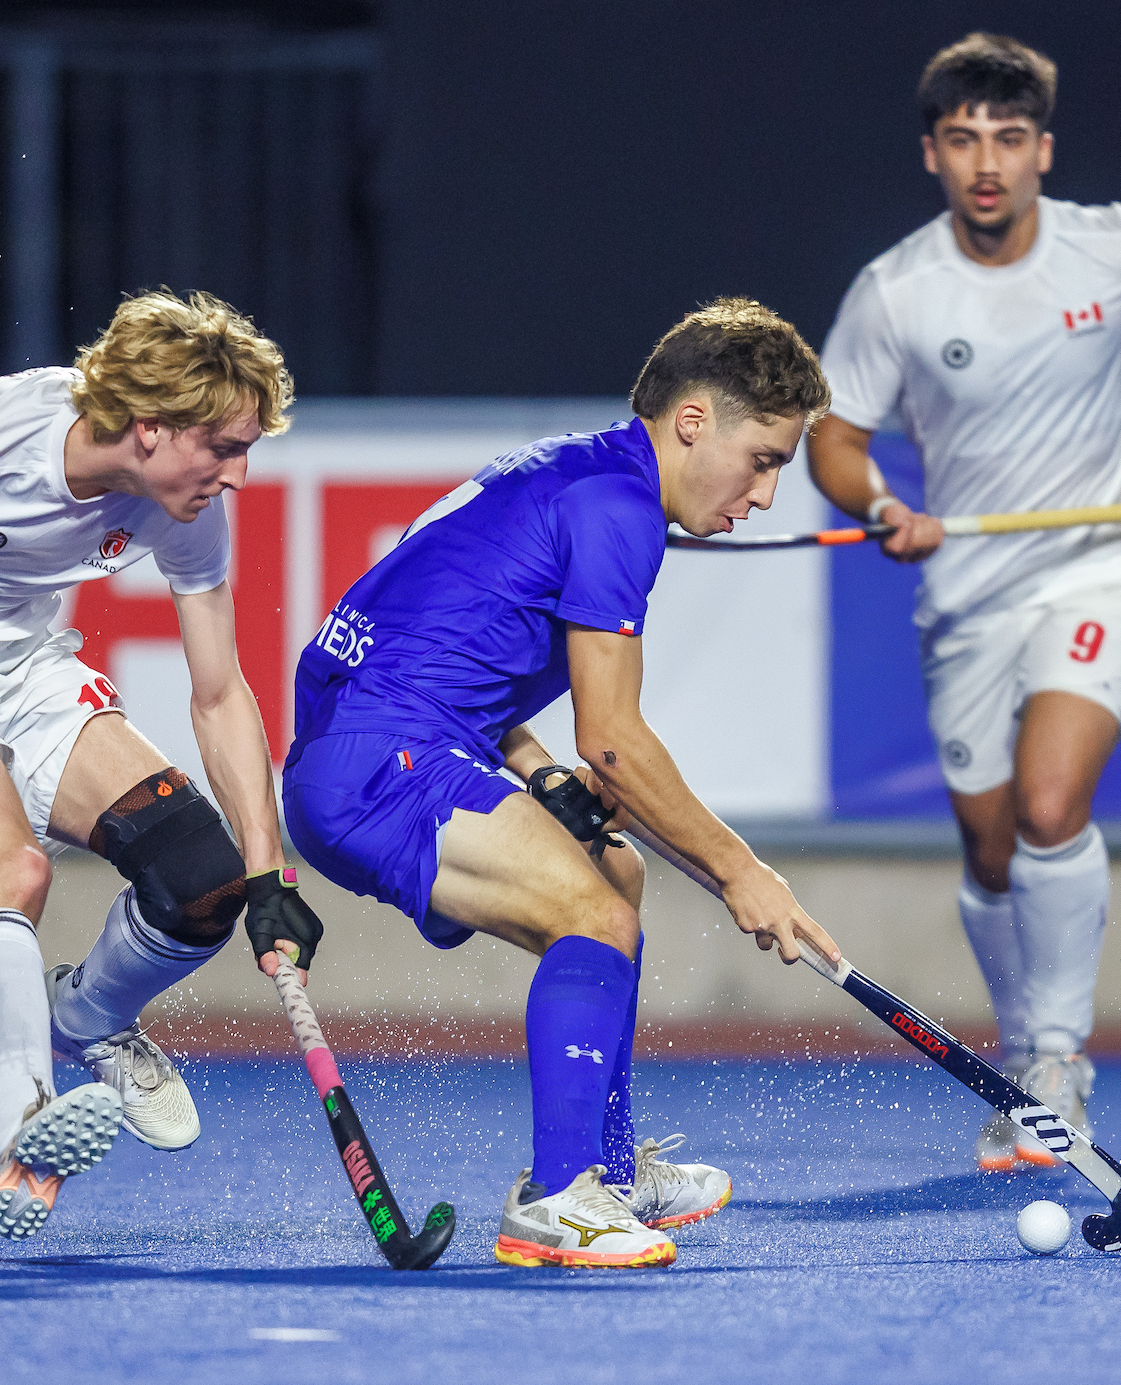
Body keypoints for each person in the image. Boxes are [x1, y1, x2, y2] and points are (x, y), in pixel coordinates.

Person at [281, 298, 840, 1268]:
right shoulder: (618, 509)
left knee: (612, 879)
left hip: (378, 743)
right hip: (383, 759)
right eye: (764, 458)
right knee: (590, 914)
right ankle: (557, 1199)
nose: (763, 493)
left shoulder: (570, 470)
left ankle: (606, 1173)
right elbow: (615, 741)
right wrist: (742, 871)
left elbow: (438, 643)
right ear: (692, 420)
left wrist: (537, 771)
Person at [0, 290, 324, 1239]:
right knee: (12, 870)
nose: (238, 476)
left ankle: (88, 1016)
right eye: (226, 448)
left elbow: (218, 692)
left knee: (202, 879)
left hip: (27, 661)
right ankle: (24, 1135)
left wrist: (266, 866)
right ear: (151, 429)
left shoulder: (184, 502)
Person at [805, 33, 1121, 1171]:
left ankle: (1054, 1062)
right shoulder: (896, 291)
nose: (985, 162)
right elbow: (834, 438)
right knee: (991, 850)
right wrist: (883, 502)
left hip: (1104, 559)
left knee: (1049, 804)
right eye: (961, 140)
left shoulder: (1117, 248)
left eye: (1006, 137)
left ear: (1041, 148)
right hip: (964, 590)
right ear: (931, 156)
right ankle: (1018, 1061)